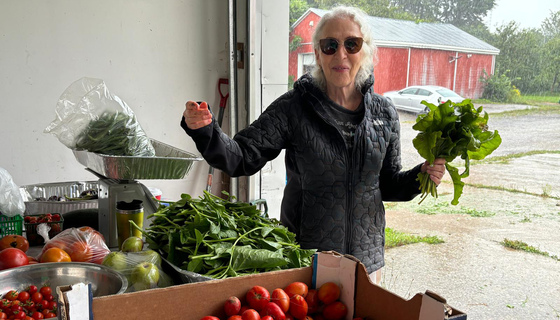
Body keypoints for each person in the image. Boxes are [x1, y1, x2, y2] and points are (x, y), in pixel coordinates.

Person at [181, 5, 446, 283]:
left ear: (364, 51)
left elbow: (387, 184)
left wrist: (421, 177)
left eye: (351, 44)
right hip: (306, 258)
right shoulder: (294, 107)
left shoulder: (384, 113)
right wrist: (205, 130)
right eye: (330, 45)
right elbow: (241, 157)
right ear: (318, 54)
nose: (340, 54)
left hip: (366, 261)